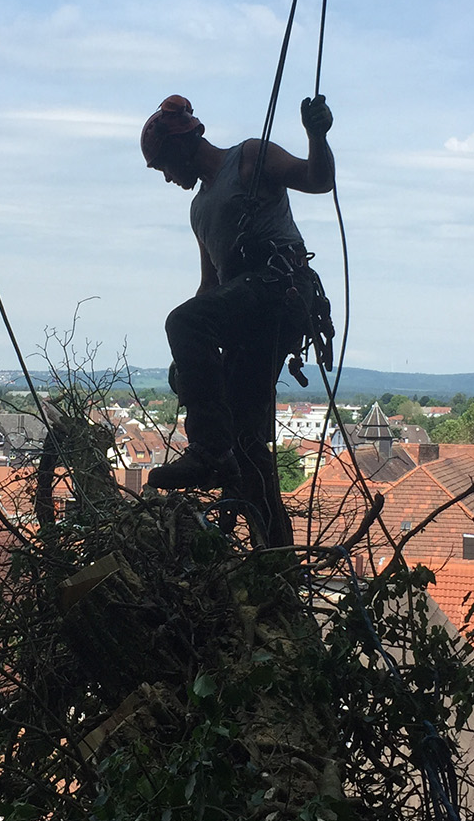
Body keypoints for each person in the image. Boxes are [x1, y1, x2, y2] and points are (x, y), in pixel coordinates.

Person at [142, 92, 334, 546]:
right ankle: (277, 558)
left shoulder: (249, 158)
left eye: (165, 166)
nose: (168, 178)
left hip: (280, 287)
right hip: (249, 309)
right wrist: (189, 358)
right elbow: (211, 286)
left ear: (181, 146)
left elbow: (316, 178)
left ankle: (208, 451)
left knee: (183, 323)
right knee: (246, 442)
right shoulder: (199, 210)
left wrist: (317, 135)